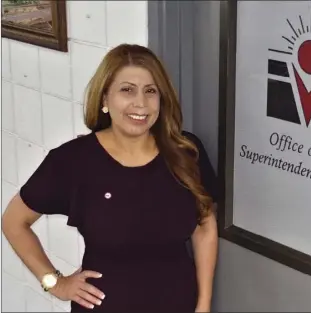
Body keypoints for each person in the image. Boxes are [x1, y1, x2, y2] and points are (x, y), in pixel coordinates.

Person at [1, 44, 219, 312]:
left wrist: (204, 303)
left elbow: (205, 226)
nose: (140, 103)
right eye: (127, 90)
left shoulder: (186, 153)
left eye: (150, 91)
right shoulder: (73, 160)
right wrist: (55, 283)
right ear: (105, 99)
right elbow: (13, 222)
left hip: (179, 304)